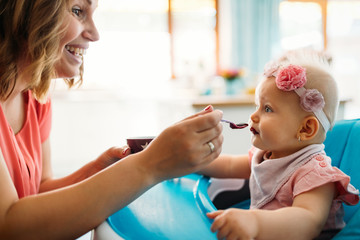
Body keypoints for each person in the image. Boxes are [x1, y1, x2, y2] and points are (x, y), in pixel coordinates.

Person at [0, 0, 224, 239]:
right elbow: (10, 224)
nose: (95, 34)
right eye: (78, 11)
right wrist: (149, 165)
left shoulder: (36, 98)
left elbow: (36, 195)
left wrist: (98, 170)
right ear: (26, 12)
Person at [199, 50, 359, 240]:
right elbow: (231, 165)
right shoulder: (267, 154)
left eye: (267, 109)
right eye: (257, 106)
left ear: (306, 128)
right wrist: (192, 161)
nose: (253, 116)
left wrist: (255, 222)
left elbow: (307, 220)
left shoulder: (316, 175)